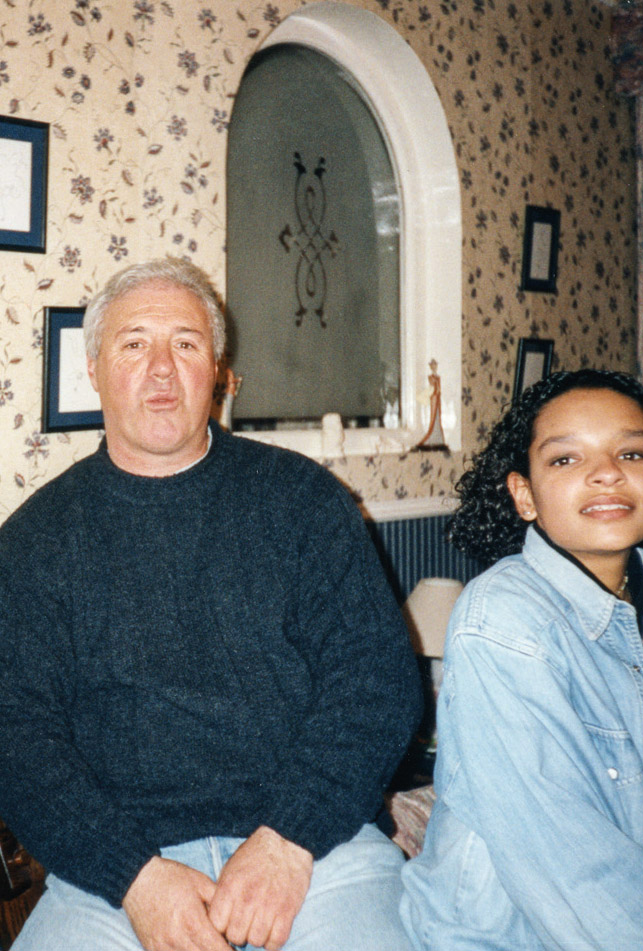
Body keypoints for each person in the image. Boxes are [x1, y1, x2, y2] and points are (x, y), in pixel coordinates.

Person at [0, 257, 421, 951]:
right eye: (134, 343)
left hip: (315, 850)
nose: (161, 368)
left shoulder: (304, 502)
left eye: (186, 344)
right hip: (117, 876)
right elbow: (17, 741)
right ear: (95, 368)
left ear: (218, 373)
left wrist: (289, 839)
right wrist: (135, 877)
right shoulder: (31, 545)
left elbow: (373, 682)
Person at [400, 368, 643, 949]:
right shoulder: (502, 622)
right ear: (524, 495)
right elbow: (573, 872)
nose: (607, 473)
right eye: (566, 460)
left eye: (632, 453)